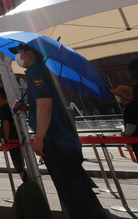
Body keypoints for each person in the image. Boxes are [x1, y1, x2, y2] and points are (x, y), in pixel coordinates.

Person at [11, 43, 106, 219]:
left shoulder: (36, 72)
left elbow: (45, 105)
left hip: (55, 140)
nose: (17, 57)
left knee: (72, 193)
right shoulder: (41, 71)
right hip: (62, 139)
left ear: (29, 53)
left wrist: (39, 138)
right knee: (78, 191)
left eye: (19, 52)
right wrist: (26, 108)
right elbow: (45, 104)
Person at [0, 87, 27, 182]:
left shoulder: (4, 107)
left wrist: (6, 139)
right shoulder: (10, 105)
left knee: (18, 164)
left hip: (12, 139)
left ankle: (27, 183)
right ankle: (28, 181)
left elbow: (6, 123)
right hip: (18, 136)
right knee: (22, 161)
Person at [110, 85, 138, 157]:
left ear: (123, 96)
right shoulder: (133, 105)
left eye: (117, 95)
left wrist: (126, 135)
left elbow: (132, 123)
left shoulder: (130, 107)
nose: (116, 97)